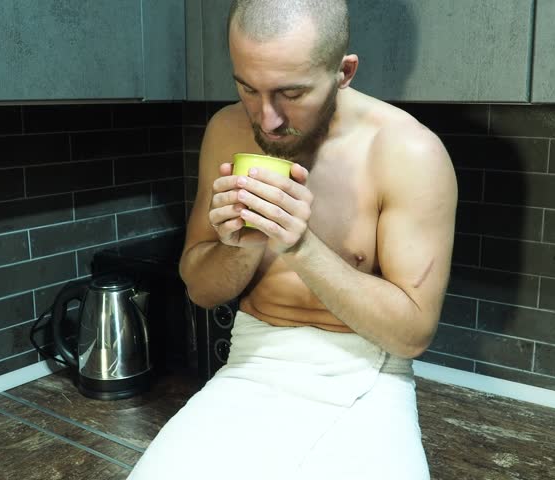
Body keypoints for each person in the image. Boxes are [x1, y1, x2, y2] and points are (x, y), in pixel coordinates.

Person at [126, 0, 456, 478]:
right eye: (247, 88)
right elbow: (201, 290)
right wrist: (243, 243)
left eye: (292, 93)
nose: (268, 119)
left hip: (366, 376)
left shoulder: (408, 152)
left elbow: (412, 335)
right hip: (249, 367)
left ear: (343, 72)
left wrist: (300, 247)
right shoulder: (226, 130)